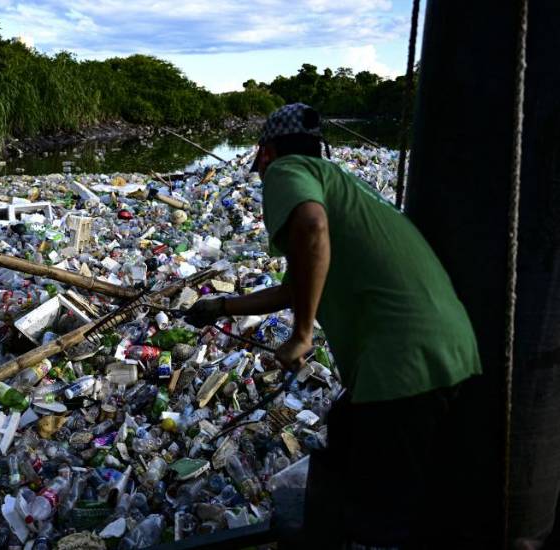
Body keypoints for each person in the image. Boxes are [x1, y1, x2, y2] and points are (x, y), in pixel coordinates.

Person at [185, 103, 482, 549]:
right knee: (359, 444)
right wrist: (221, 306)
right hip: (449, 349)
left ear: (265, 153)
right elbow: (293, 286)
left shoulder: (287, 170)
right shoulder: (341, 183)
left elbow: (310, 224)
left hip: (403, 362)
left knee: (381, 506)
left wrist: (302, 335)